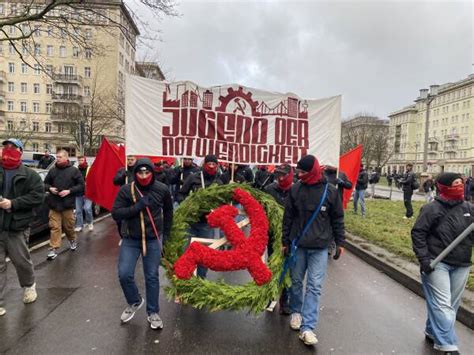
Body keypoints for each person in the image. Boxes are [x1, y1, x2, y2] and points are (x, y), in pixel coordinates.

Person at [283, 155, 345, 346]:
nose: (299, 175)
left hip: (319, 248)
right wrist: (285, 241)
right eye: (298, 172)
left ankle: (308, 327)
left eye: (302, 172)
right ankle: (295, 312)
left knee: (314, 287)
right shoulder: (295, 189)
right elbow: (288, 218)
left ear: (313, 171)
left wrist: (340, 242)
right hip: (298, 246)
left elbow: (338, 219)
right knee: (295, 282)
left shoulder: (331, 192)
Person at [411, 172, 473, 355]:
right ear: (444, 186)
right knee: (443, 305)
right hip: (437, 262)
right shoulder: (431, 209)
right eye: (455, 184)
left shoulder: (469, 207)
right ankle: (447, 345)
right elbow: (418, 234)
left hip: (461, 263)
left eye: (461, 183)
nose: (460, 186)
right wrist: (424, 259)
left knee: (450, 305)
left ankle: (432, 331)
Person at [112, 158, 173, 329]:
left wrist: (166, 235)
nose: (144, 175)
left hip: (153, 239)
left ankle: (153, 312)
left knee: (152, 276)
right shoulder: (126, 190)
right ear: (135, 173)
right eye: (140, 172)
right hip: (131, 239)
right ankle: (135, 301)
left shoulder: (162, 189)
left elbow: (168, 211)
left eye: (147, 172)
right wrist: (137, 206)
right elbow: (116, 213)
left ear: (153, 172)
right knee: (124, 274)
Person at [0, 139, 44, 316]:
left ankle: (29, 285)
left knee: (21, 261)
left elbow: (37, 197)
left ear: (19, 151)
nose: (8, 150)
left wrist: (13, 203)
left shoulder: (30, 174)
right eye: (5, 147)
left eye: (12, 147)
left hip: (16, 226)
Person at [178, 154, 225, 278]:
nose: (211, 166)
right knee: (187, 252)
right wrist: (187, 205)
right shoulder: (194, 177)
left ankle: (200, 280)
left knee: (204, 254)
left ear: (217, 165)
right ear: (204, 164)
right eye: (209, 164)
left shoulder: (219, 182)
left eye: (213, 164)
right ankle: (186, 279)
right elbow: (181, 194)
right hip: (191, 222)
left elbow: (224, 202)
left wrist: (218, 209)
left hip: (207, 225)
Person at [44, 150, 84, 260]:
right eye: (57, 157)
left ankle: (72, 240)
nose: (58, 158)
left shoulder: (74, 171)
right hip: (54, 204)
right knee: (55, 227)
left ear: (66, 158)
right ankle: (53, 248)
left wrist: (69, 191)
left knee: (68, 227)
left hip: (68, 204)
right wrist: (50, 188)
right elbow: (45, 184)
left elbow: (81, 185)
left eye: (60, 157)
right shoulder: (52, 171)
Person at [264, 164, 293, 314]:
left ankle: (285, 300)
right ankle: (270, 296)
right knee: (273, 265)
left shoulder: (296, 190)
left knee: (287, 267)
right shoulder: (269, 189)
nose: (281, 178)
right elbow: (263, 210)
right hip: (273, 235)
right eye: (279, 175)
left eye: (284, 175)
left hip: (289, 237)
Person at [324, 165, 353, 255]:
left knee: (334, 224)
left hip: (337, 203)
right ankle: (324, 243)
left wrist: (342, 183)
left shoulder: (341, 174)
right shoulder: (323, 173)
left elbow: (349, 185)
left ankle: (331, 245)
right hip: (324, 203)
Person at [75, 156, 94, 232]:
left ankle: (90, 222)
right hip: (78, 193)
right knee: (78, 210)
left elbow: (94, 180)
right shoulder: (76, 170)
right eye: (79, 160)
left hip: (88, 193)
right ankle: (79, 225)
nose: (80, 161)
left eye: (82, 160)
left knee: (87, 208)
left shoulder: (89, 169)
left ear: (85, 160)